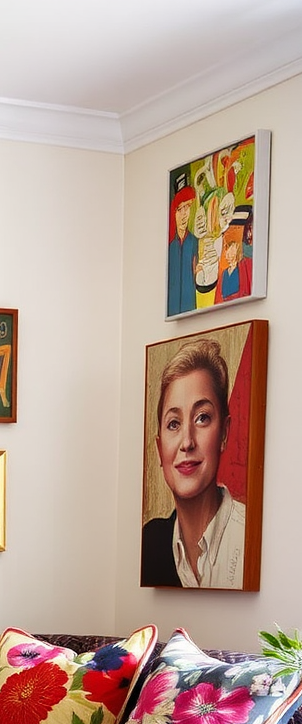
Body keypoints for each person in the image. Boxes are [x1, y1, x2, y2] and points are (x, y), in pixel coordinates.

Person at [141, 338, 244, 589]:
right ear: (158, 448)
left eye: (202, 418)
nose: (186, 442)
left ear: (224, 433)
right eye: (173, 424)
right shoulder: (152, 542)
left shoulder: (249, 536)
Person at [167, 185, 198, 317]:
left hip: (190, 307)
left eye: (188, 207)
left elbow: (195, 269)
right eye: (180, 209)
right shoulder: (169, 245)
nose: (185, 214)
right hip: (172, 306)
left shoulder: (193, 241)